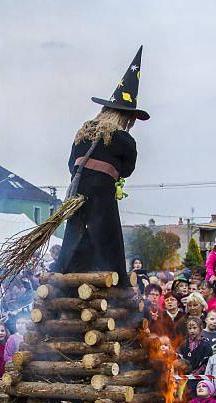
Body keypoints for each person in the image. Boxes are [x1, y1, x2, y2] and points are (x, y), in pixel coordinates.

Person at [55, 48, 146, 281]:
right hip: (102, 198)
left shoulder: (83, 132)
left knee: (74, 233)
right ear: (126, 117)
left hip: (77, 195)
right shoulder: (124, 139)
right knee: (108, 237)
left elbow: (70, 165)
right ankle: (115, 282)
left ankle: (64, 274)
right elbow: (127, 170)